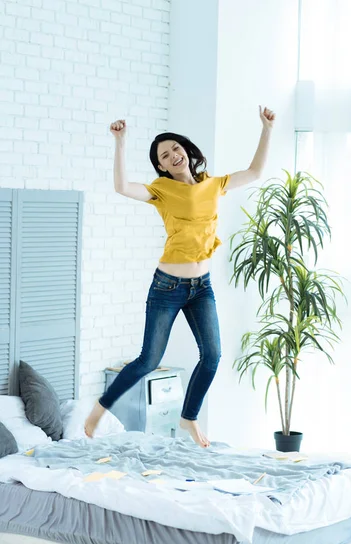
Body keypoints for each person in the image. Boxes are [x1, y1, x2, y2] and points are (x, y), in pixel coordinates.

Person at [85, 106, 275, 447]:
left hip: (202, 287)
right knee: (148, 360)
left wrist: (267, 128)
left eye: (176, 149)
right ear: (160, 165)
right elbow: (121, 187)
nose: (173, 155)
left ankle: (188, 417)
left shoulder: (214, 185)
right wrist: (120, 142)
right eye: (164, 155)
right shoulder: (161, 190)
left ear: (187, 152)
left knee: (213, 355)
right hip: (168, 287)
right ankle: (101, 407)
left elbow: (256, 171)